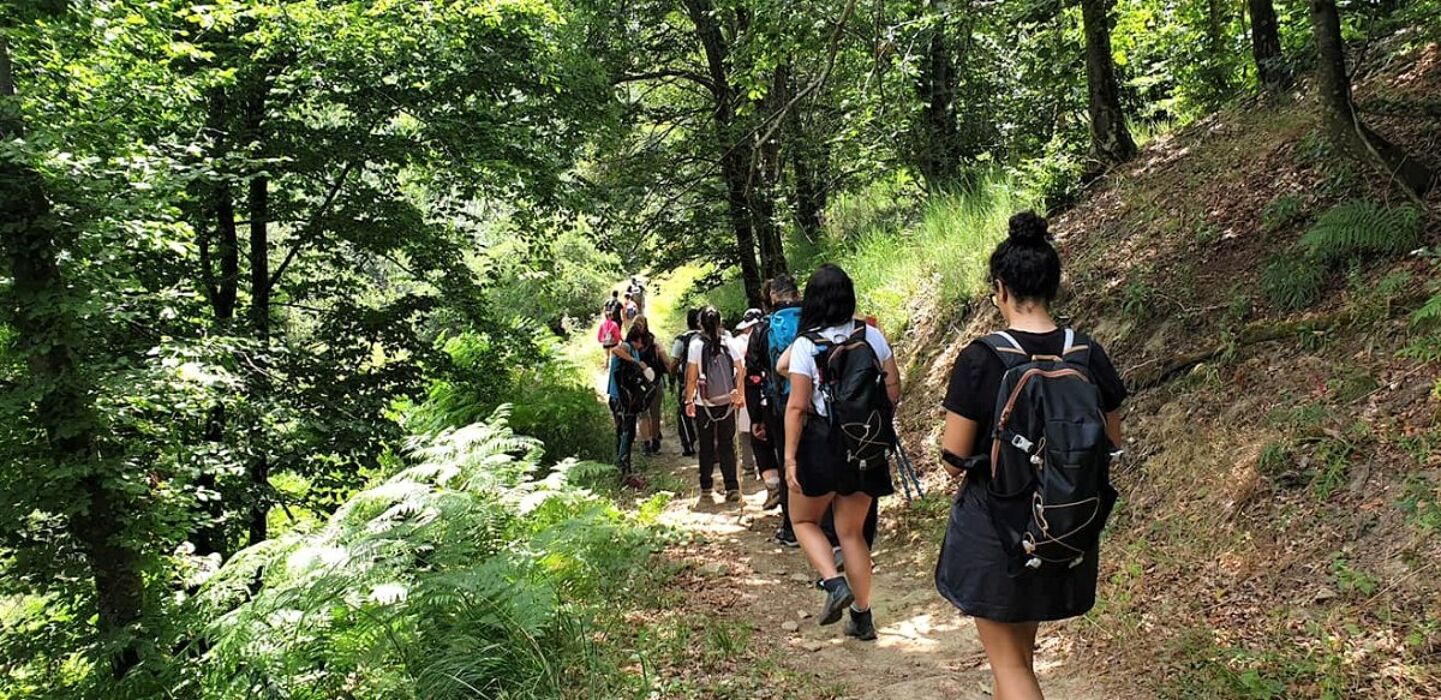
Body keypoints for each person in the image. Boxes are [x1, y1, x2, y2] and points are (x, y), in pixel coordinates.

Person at [934, 212, 1127, 699]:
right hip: (1066, 524)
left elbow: (955, 456)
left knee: (1013, 670)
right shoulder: (1087, 351)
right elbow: (1113, 441)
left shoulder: (982, 357)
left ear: (1000, 288)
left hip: (996, 526)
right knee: (1017, 660)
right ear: (1052, 285)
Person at [782, 264, 901, 641]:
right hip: (864, 444)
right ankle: (863, 618)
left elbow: (798, 407)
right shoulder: (872, 336)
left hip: (820, 445)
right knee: (852, 534)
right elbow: (893, 387)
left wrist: (788, 458)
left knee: (803, 522)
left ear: (811, 302)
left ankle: (833, 584)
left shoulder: (806, 346)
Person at [684, 307, 743, 504]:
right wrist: (739, 394)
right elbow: (740, 368)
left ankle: (706, 488)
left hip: (704, 403)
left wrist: (689, 399)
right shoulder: (728, 340)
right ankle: (732, 486)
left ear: (700, 323)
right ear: (719, 322)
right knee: (727, 444)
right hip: (727, 400)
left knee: (706, 445)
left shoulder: (696, 344)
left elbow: (692, 376)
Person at [607, 323, 658, 487]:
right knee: (624, 434)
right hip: (619, 398)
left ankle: (625, 469)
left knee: (628, 435)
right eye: (641, 342)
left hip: (628, 400)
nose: (642, 346)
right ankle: (623, 470)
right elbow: (615, 350)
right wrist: (635, 362)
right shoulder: (627, 347)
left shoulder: (634, 350)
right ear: (637, 340)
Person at [730, 308, 763, 482]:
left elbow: (736, 369)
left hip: (743, 387)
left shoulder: (735, 342)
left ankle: (749, 466)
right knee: (762, 427)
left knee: (744, 430)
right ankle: (766, 466)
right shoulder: (766, 337)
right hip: (762, 388)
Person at [631, 315, 671, 455]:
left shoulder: (630, 342)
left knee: (644, 414)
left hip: (639, 383)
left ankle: (647, 443)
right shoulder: (654, 341)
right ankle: (654, 442)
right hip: (655, 381)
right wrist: (670, 372)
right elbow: (665, 359)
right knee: (654, 413)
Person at [670, 310, 701, 457]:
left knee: (684, 412)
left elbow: (674, 362)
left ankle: (688, 445)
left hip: (686, 381)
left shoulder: (681, 340)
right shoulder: (706, 337)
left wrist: (672, 376)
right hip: (706, 380)